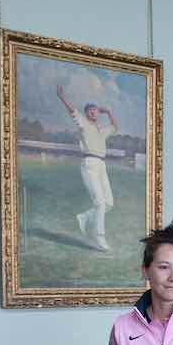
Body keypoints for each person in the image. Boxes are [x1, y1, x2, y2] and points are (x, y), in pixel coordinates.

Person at [56, 84, 117, 252]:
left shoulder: (101, 130)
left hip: (102, 166)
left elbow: (115, 127)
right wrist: (62, 97)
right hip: (89, 164)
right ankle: (100, 238)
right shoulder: (83, 122)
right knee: (100, 203)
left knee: (109, 203)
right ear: (87, 113)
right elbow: (72, 111)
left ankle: (84, 217)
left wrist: (109, 112)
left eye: (96, 110)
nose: (93, 112)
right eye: (91, 110)